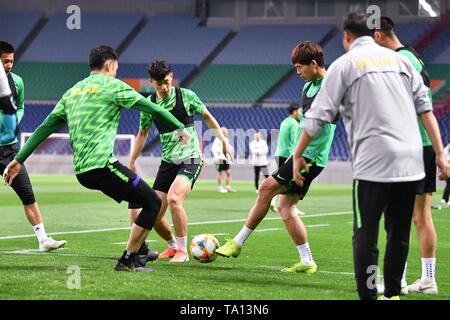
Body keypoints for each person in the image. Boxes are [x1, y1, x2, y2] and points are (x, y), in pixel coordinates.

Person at [292, 13, 449, 300]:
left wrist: (298, 154)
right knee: (399, 232)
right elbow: (426, 111)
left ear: (346, 37)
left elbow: (315, 119)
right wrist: (441, 154)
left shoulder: (343, 65)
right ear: (374, 33)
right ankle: (392, 294)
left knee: (366, 234)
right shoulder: (403, 61)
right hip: (411, 163)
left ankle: (369, 295)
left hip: (372, 166)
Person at [3, 45, 191, 272]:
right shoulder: (113, 86)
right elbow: (154, 109)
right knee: (153, 202)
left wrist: (19, 159)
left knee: (137, 197)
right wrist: (181, 129)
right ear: (110, 65)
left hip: (83, 172)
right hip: (103, 166)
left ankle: (141, 250)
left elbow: (44, 128)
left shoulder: (72, 91)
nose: (116, 73)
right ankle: (128, 260)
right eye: (116, 68)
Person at [215, 41, 336, 275]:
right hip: (302, 155)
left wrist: (299, 155)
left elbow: (322, 123)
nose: (298, 72)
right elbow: (305, 125)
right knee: (285, 207)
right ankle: (307, 261)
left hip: (311, 156)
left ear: (314, 64)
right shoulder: (307, 88)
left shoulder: (330, 86)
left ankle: (237, 243)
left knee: (265, 188)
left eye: (300, 67)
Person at [128, 60, 233, 263]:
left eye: (167, 82)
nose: (165, 87)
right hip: (168, 162)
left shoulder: (186, 96)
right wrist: (132, 161)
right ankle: (173, 247)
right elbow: (142, 133)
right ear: (151, 82)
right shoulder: (149, 104)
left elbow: (207, 117)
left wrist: (224, 141)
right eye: (159, 84)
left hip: (191, 157)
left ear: (171, 77)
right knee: (154, 211)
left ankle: (184, 252)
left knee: (175, 199)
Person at [373, 16, 439, 295]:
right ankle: (427, 279)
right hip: (423, 146)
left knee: (398, 216)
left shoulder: (400, 62)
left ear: (377, 36)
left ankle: (397, 280)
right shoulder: (414, 56)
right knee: (421, 216)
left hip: (409, 146)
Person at [0, 41, 67, 252]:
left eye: (11, 61)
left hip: (9, 150)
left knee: (27, 194)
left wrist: (14, 120)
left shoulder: (17, 82)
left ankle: (43, 240)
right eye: (5, 61)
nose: (9, 65)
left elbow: (19, 107)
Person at [270, 103, 301, 212]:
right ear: (295, 111)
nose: (301, 113)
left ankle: (274, 201)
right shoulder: (294, 124)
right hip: (288, 154)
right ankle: (290, 206)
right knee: (291, 181)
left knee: (280, 179)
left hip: (279, 153)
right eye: (300, 111)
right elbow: (295, 140)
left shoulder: (284, 122)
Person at [212, 126, 235, 193]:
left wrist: (230, 157)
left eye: (226, 132)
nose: (225, 133)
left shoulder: (226, 139)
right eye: (224, 131)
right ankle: (220, 187)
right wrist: (216, 157)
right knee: (220, 172)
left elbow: (228, 149)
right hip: (220, 159)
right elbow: (214, 149)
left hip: (225, 158)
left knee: (228, 172)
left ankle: (228, 187)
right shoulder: (217, 139)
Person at [441, 139, 450, 205]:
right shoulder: (447, 149)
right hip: (448, 167)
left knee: (448, 185)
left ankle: (444, 199)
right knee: (449, 184)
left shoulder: (446, 148)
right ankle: (444, 199)